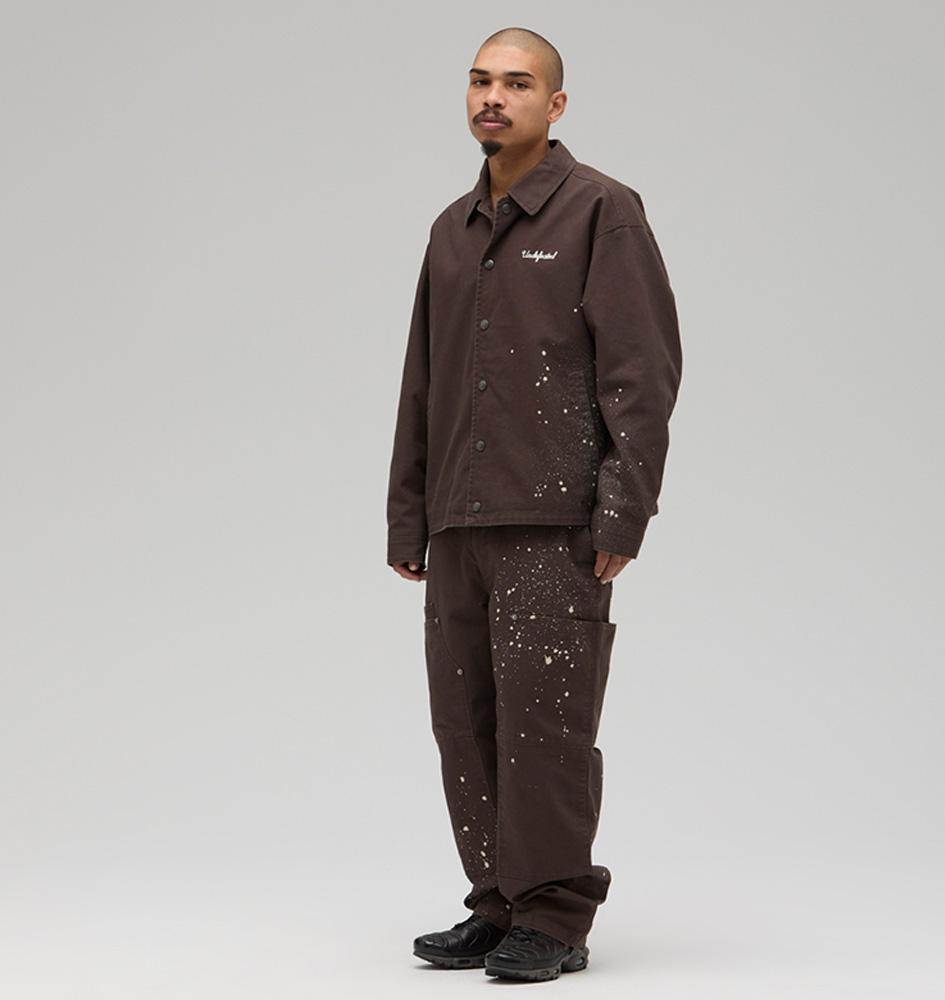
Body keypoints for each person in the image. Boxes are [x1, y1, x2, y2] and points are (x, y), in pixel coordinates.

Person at [386, 26, 683, 982]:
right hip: (458, 522)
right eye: (480, 81)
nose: (493, 97)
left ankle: (553, 914)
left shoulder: (602, 211)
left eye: (517, 83)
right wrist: (408, 515)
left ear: (554, 105)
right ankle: (498, 902)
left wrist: (622, 511)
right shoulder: (450, 229)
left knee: (545, 725)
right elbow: (423, 380)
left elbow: (642, 372)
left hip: (555, 524)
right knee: (464, 720)